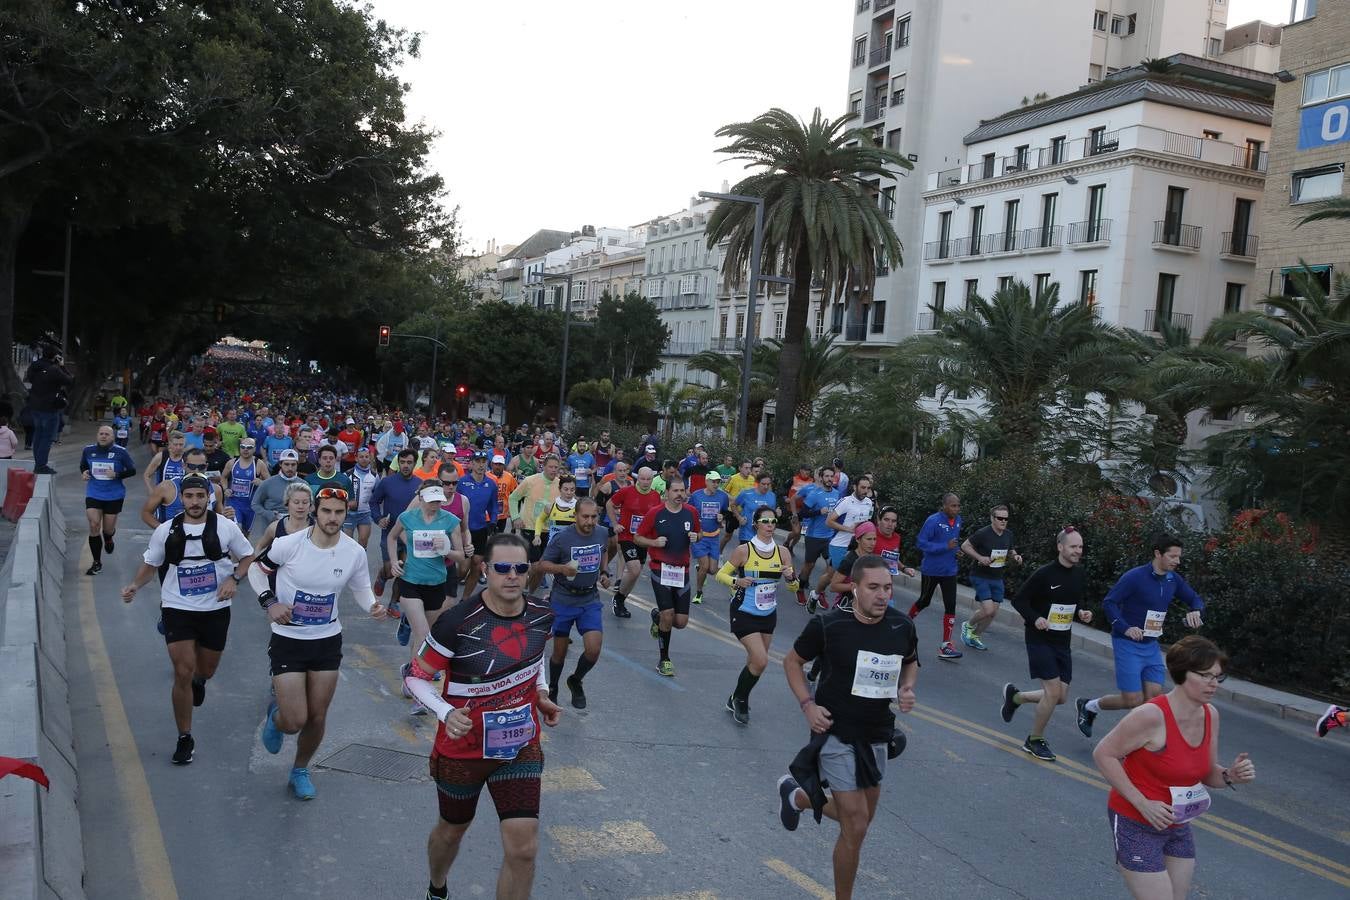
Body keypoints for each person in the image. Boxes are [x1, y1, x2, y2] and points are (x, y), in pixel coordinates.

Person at [402, 534, 562, 900]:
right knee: (451, 831)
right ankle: (437, 886)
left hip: (519, 747)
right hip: (462, 751)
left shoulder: (541, 615)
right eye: (502, 568)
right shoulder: (455, 622)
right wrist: (445, 713)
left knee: (523, 850)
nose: (512, 576)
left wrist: (541, 694)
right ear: (485, 569)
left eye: (520, 568)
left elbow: (534, 658)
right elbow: (416, 676)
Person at [777, 554, 919, 900]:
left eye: (887, 588)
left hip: (877, 734)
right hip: (835, 732)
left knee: (861, 819)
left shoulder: (902, 627)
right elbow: (793, 663)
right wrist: (808, 705)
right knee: (855, 825)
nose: (882, 595)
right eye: (873, 588)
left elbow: (911, 662)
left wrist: (906, 687)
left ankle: (797, 797)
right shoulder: (828, 626)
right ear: (854, 588)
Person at [249, 486, 388, 799]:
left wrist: (373, 606)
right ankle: (276, 719)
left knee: (318, 715)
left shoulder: (354, 552)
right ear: (315, 511)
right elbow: (256, 572)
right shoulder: (288, 545)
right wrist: (270, 602)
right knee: (294, 719)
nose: (333, 518)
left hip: (326, 640)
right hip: (288, 638)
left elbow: (362, 589)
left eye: (339, 512)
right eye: (327, 511)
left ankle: (300, 769)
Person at [1093, 636, 1256, 900]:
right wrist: (1143, 803)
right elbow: (1104, 754)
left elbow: (1205, 773)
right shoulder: (1151, 716)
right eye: (1205, 675)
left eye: (1218, 677)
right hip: (1136, 822)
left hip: (1177, 823)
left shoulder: (1210, 715)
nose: (1213, 683)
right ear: (1181, 673)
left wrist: (1229, 775)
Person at [119, 474, 256, 764]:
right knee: (182, 670)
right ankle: (184, 737)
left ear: (209, 497)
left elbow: (247, 557)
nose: (195, 502)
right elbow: (150, 564)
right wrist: (134, 585)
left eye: (200, 496)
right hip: (177, 606)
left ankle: (200, 681)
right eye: (189, 496)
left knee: (205, 669)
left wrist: (234, 578)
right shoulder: (166, 530)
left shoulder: (227, 528)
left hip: (215, 609)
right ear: (182, 498)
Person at [1076, 534, 1205, 739]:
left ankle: (1137, 744)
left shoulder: (1173, 579)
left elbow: (1194, 599)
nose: (1177, 561)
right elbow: (1109, 603)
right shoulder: (1135, 577)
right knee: (1132, 699)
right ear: (1157, 554)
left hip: (1151, 645)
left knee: (1153, 698)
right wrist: (1126, 628)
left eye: (1179, 557)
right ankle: (1089, 706)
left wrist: (1196, 610)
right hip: (1127, 643)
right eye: (1172, 556)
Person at [1000, 527, 1092, 761]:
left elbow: (1074, 600)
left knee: (1060, 697)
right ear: (1060, 547)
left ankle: (1016, 698)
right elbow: (1019, 600)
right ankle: (1034, 739)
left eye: (1080, 547)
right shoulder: (1044, 574)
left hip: (1063, 641)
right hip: (1039, 639)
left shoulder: (1079, 574)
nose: (1077, 551)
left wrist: (1081, 612)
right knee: (1052, 692)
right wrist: (1036, 618)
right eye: (1073, 546)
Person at [716, 505, 798, 724]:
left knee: (755, 661)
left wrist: (791, 578)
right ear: (756, 524)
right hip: (744, 611)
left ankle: (735, 696)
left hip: (768, 613)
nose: (770, 525)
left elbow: (793, 588)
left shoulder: (783, 552)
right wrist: (737, 581)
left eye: (773, 522)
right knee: (761, 661)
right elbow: (721, 575)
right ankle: (741, 700)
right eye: (765, 522)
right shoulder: (744, 550)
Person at [388, 482, 467, 711]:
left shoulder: (450, 521)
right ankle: (418, 693)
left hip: (436, 584)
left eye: (438, 500)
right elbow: (392, 538)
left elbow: (461, 557)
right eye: (431, 500)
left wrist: (446, 551)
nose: (435, 504)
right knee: (422, 634)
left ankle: (409, 673)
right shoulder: (407, 517)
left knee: (426, 638)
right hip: (410, 582)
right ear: (421, 499)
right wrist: (394, 562)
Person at [535, 498, 611, 709]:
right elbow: (543, 564)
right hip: (563, 598)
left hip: (589, 598)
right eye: (585, 516)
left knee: (594, 650)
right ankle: (554, 686)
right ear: (575, 516)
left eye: (593, 517)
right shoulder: (562, 538)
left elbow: (604, 550)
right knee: (559, 652)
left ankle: (576, 679)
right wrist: (562, 570)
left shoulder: (602, 533)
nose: (589, 521)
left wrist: (604, 572)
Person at [634, 476, 698, 677]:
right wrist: (654, 543)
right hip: (660, 568)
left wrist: (698, 536)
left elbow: (699, 532)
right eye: (676, 491)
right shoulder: (656, 513)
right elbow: (637, 537)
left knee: (680, 622)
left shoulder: (691, 513)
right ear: (667, 493)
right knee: (668, 615)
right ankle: (664, 659)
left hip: (683, 572)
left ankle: (656, 616)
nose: (680, 495)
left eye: (682, 491)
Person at [909, 492, 964, 660]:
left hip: (949, 571)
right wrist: (944, 546)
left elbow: (952, 542)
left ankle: (946, 645)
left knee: (951, 605)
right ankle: (904, 622)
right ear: (944, 506)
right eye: (953, 506)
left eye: (958, 506)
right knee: (924, 601)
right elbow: (921, 543)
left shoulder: (958, 520)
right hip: (931, 570)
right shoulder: (933, 521)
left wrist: (956, 551)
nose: (956, 509)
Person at [960, 504, 1023, 651]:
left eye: (1006, 519)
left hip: (997, 577)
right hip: (980, 575)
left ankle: (975, 636)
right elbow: (965, 546)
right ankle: (967, 625)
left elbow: (1011, 549)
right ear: (992, 518)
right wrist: (980, 557)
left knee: (993, 613)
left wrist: (1016, 556)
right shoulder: (983, 533)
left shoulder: (1008, 534)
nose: (1003, 521)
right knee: (988, 610)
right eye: (1000, 518)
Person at [606, 466, 663, 619]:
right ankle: (618, 598)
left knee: (634, 574)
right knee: (635, 569)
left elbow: (657, 517)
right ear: (638, 478)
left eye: (648, 479)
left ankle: (620, 600)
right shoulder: (627, 491)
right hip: (626, 537)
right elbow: (609, 504)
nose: (645, 482)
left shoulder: (655, 496)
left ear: (652, 479)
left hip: (643, 539)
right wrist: (614, 523)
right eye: (642, 479)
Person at [80, 425, 138, 575]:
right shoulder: (88, 450)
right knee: (94, 525)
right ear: (97, 435)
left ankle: (108, 537)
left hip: (114, 495)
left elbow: (132, 470)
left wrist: (117, 475)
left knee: (108, 529)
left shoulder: (121, 452)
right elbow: (83, 466)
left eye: (107, 434)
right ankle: (97, 562)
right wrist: (84, 473)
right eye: (101, 433)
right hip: (94, 493)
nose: (103, 436)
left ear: (113, 437)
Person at [370, 448, 422, 604]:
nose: (405, 465)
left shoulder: (420, 484)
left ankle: (393, 603)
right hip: (390, 533)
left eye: (409, 462)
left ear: (415, 464)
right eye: (402, 462)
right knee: (391, 571)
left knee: (403, 571)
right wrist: (378, 518)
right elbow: (373, 502)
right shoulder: (387, 482)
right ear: (398, 463)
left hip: (410, 535)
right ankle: (382, 575)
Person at [25, 344, 72, 475]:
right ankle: (41, 465)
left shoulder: (34, 367)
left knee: (38, 435)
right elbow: (69, 381)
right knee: (47, 437)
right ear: (55, 356)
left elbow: (31, 379)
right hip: (50, 408)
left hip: (35, 406)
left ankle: (38, 462)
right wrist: (62, 366)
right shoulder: (54, 370)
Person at [508, 454, 560, 561]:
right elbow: (513, 498)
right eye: (551, 467)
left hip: (549, 530)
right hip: (530, 527)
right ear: (544, 467)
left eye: (556, 467)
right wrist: (515, 517)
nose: (553, 470)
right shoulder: (529, 481)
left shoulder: (560, 484)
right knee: (535, 562)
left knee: (543, 562)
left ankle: (536, 577)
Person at [458, 451, 500, 585]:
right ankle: (450, 586)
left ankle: (465, 600)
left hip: (481, 528)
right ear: (472, 463)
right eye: (478, 462)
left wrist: (493, 522)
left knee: (476, 564)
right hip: (463, 529)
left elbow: (493, 506)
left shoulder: (491, 484)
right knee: (463, 568)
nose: (481, 465)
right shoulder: (462, 482)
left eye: (484, 462)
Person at [690, 470, 729, 605]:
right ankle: (699, 593)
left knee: (712, 570)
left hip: (714, 537)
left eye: (718, 482)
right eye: (713, 481)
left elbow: (724, 512)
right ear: (706, 481)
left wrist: (722, 517)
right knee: (705, 566)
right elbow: (689, 512)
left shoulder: (723, 497)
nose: (716, 484)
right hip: (699, 537)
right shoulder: (696, 496)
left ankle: (700, 569)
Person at [222, 438, 268, 537]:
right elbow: (223, 478)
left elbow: (270, 483)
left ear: (254, 449)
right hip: (234, 503)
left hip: (251, 506)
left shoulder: (259, 464)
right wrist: (225, 489)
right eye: (243, 447)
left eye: (249, 447)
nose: (245, 449)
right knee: (236, 529)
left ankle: (242, 551)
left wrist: (261, 483)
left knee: (246, 533)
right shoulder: (232, 463)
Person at [251, 449, 303, 530]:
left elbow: (310, 506)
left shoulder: (303, 484)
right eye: (286, 464)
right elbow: (255, 504)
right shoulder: (268, 483)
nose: (290, 468)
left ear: (297, 465)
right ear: (280, 464)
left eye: (293, 465)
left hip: (295, 527)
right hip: (271, 527)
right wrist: (268, 514)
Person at [343, 446, 379, 549]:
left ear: (370, 458)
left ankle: (360, 564)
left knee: (363, 542)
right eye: (361, 457)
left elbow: (377, 495)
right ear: (356, 458)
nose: (364, 459)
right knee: (347, 544)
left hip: (365, 513)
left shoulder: (374, 475)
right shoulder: (347, 474)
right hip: (349, 514)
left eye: (366, 456)